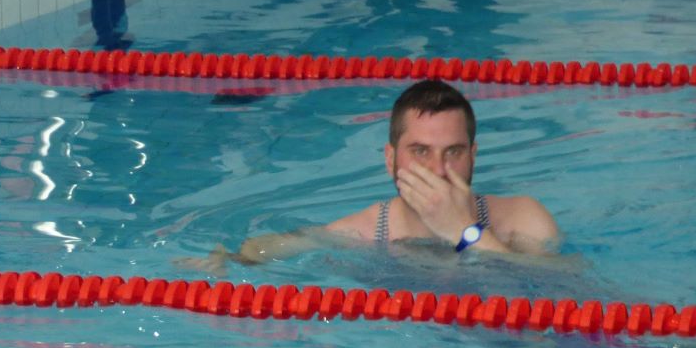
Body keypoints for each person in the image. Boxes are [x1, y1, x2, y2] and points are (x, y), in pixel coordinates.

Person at [182, 79, 561, 273]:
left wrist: (465, 232)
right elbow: (276, 246)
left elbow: (562, 292)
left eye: (454, 152)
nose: (437, 170)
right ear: (390, 159)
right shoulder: (362, 234)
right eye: (420, 151)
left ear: (473, 155)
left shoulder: (522, 219)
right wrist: (225, 257)